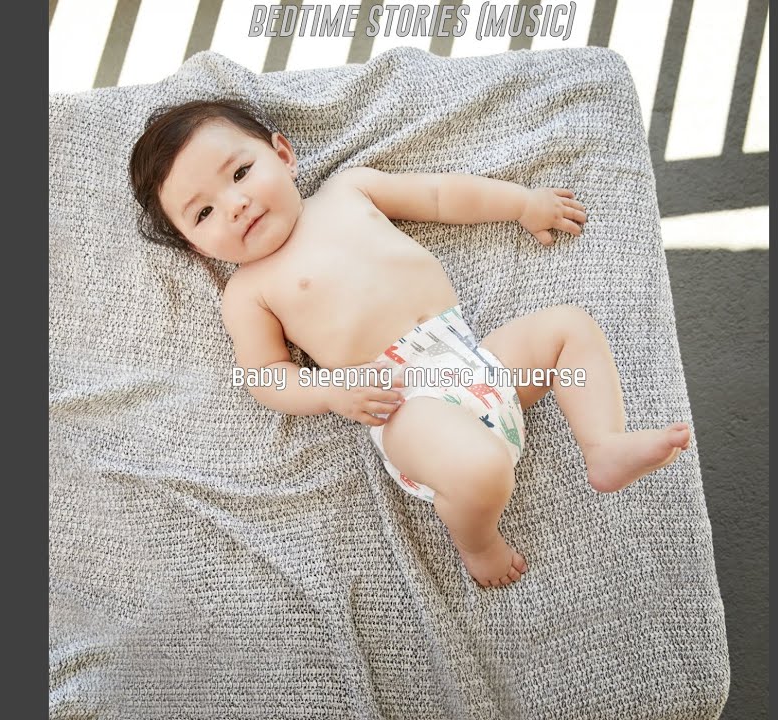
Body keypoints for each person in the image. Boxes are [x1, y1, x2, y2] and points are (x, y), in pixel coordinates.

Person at [129, 100, 690, 588]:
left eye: (241, 172)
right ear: (197, 247)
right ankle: (478, 543)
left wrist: (521, 204)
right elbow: (265, 375)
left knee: (568, 328)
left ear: (283, 154)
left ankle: (603, 443)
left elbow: (442, 196)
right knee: (480, 471)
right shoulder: (248, 292)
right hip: (406, 405)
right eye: (204, 213)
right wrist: (331, 390)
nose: (234, 205)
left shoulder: (349, 190)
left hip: (476, 360)